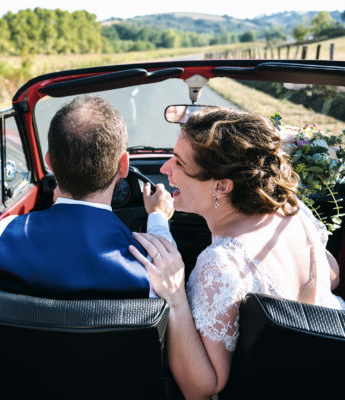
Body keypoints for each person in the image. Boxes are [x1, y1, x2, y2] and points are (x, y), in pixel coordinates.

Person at [128, 108, 345, 399]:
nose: (166, 169)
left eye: (179, 163)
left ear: (221, 186)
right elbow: (332, 275)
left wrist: (176, 295)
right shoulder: (291, 209)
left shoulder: (221, 263)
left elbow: (203, 388)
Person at [0, 95, 174, 299]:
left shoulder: (1, 235)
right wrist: (158, 216)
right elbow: (169, 268)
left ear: (49, 162)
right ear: (123, 165)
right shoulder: (151, 266)